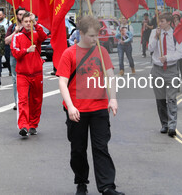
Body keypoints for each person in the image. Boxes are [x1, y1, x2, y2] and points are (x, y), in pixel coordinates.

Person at [57, 16, 124, 195]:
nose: (95, 40)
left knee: (101, 147)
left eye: (97, 36)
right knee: (78, 150)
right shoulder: (69, 54)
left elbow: (110, 77)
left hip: (99, 108)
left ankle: (107, 186)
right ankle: (81, 183)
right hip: (77, 109)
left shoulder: (102, 52)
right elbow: (63, 82)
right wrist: (70, 106)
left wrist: (113, 98)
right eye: (92, 36)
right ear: (81, 33)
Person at [11, 12, 48, 137]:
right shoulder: (17, 36)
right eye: (26, 21)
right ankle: (23, 126)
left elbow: (44, 37)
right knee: (22, 101)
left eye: (29, 21)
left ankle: (33, 125)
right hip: (22, 74)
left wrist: (36, 23)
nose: (28, 24)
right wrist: (26, 50)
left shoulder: (36, 34)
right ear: (21, 23)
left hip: (37, 73)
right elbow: (15, 53)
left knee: (36, 100)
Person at [148, 12, 182, 137]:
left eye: (162, 21)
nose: (160, 24)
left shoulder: (176, 34)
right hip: (157, 70)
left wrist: (167, 58)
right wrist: (156, 37)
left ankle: (172, 124)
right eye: (159, 21)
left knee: (172, 98)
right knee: (160, 99)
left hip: (171, 69)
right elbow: (150, 49)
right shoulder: (154, 33)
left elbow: (179, 54)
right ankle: (165, 124)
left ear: (169, 22)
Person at [5, 7, 26, 108]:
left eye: (24, 14)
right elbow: (6, 41)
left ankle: (27, 100)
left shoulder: (29, 26)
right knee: (15, 79)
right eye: (20, 14)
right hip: (14, 56)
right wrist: (15, 32)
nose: (22, 16)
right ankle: (17, 102)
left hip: (27, 56)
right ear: (16, 16)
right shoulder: (12, 27)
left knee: (28, 78)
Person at [0, 10, 12, 76]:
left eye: (0, 15)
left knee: (7, 57)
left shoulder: (8, 22)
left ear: (4, 15)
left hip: (6, 42)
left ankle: (10, 70)